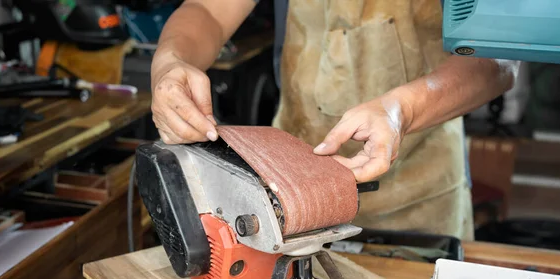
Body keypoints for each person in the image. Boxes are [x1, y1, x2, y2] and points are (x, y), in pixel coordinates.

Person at [150, 0, 519, 240]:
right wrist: (169, 63)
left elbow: (498, 57)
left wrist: (402, 111)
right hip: (293, 187)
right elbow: (209, 10)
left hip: (419, 194)